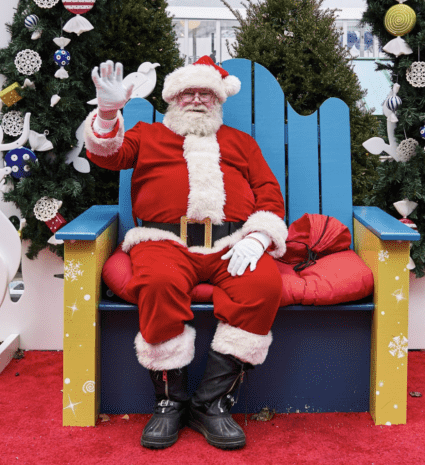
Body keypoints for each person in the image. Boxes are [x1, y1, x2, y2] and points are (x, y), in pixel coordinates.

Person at [83, 56, 288, 451]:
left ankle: (211, 404)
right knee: (158, 283)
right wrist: (108, 113)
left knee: (262, 285)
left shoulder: (240, 143)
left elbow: (268, 192)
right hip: (164, 242)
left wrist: (259, 237)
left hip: (232, 243)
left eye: (206, 94)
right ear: (173, 99)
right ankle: (169, 402)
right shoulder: (147, 136)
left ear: (218, 101)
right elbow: (106, 154)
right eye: (188, 93)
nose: (197, 100)